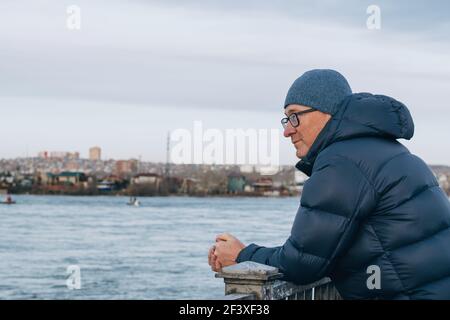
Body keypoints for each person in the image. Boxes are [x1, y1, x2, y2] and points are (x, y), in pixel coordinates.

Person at [208, 69, 450, 299]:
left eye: (294, 116)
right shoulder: (388, 152)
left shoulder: (341, 162)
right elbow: (322, 249)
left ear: (327, 112)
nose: (287, 131)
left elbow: (302, 263)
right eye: (285, 119)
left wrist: (241, 254)